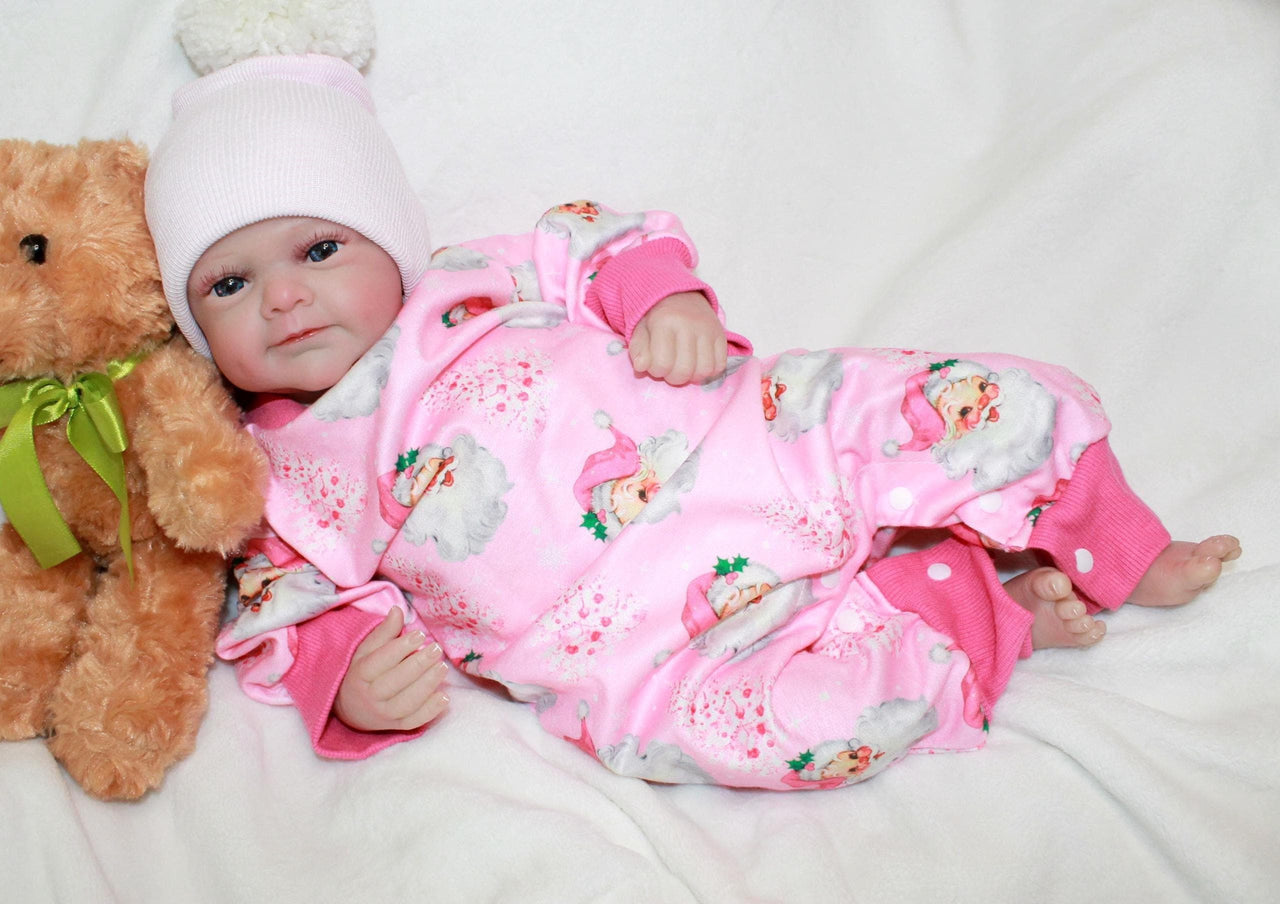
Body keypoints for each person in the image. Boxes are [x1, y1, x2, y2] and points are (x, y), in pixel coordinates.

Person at [145, 53, 1239, 789]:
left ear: (390, 237)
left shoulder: (474, 281)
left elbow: (598, 239)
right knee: (760, 737)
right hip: (635, 645)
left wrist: (660, 299)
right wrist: (347, 677)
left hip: (751, 443)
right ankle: (966, 622)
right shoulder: (266, 474)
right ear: (196, 331)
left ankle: (1115, 544)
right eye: (227, 286)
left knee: (979, 403)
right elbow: (278, 611)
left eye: (318, 249)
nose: (282, 297)